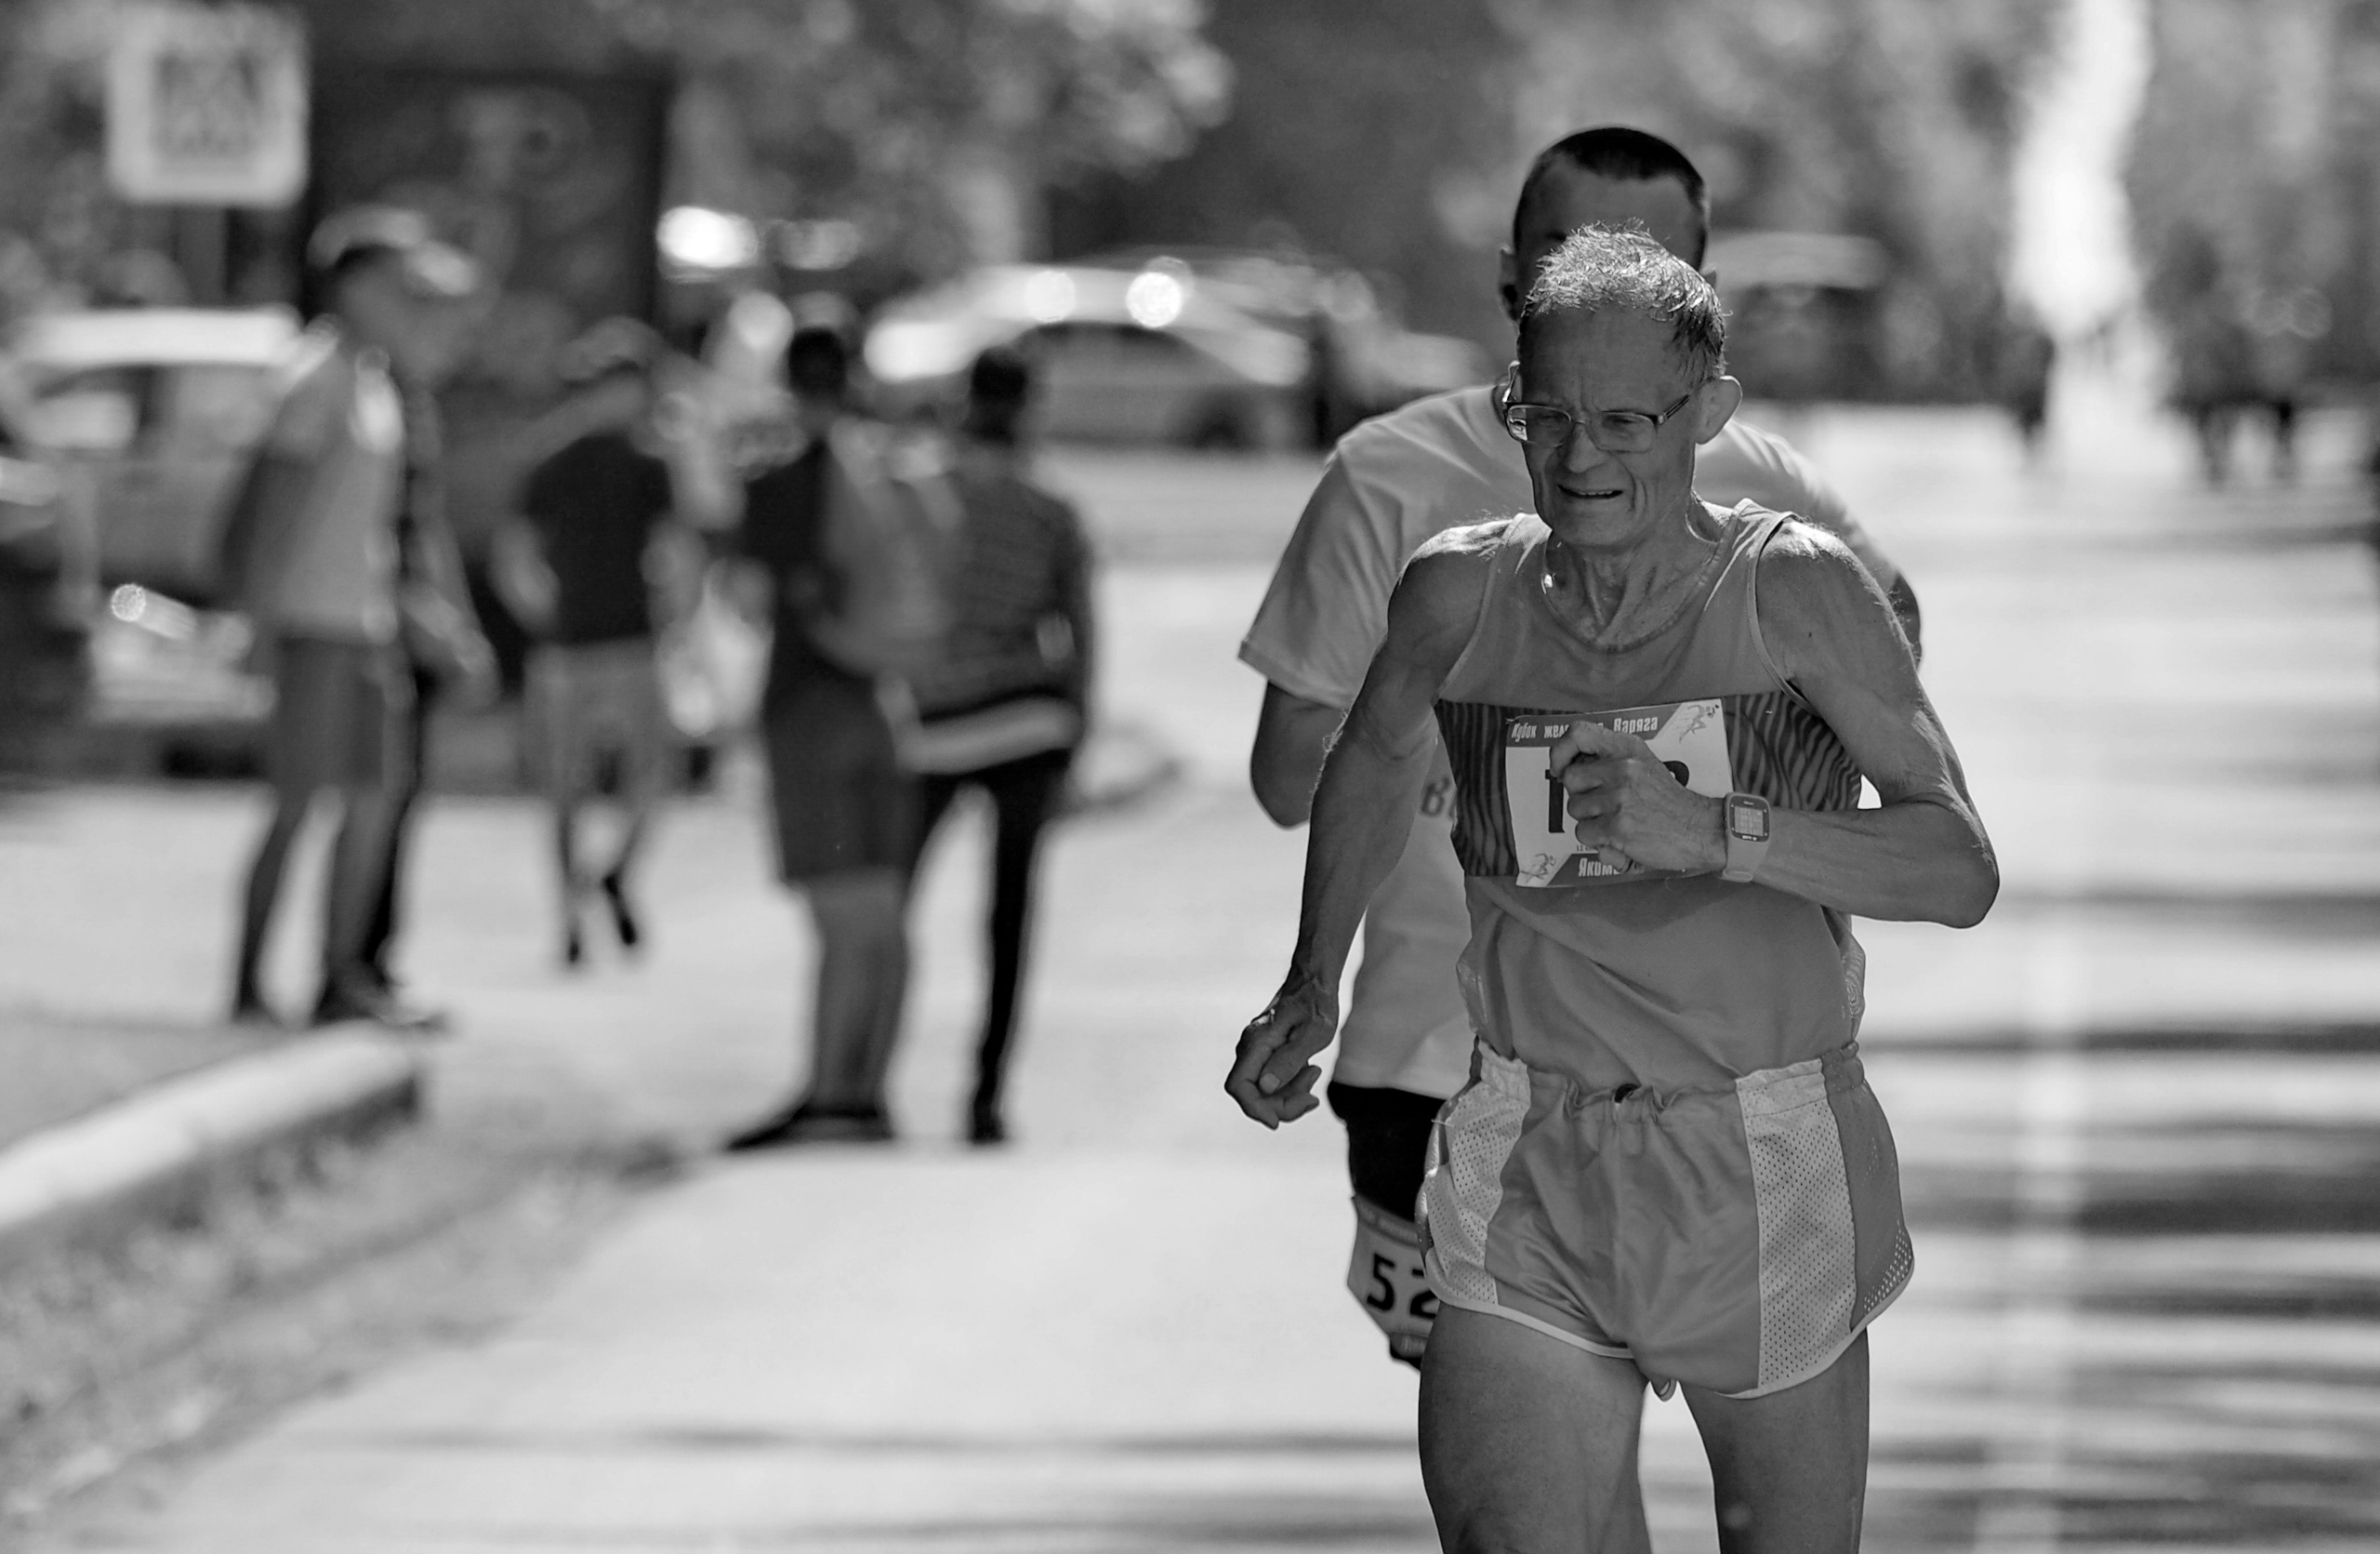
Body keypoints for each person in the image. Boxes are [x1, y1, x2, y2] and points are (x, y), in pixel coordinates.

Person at [1229, 227, 1996, 1552]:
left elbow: (1956, 863)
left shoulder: (1795, 590)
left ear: (1710, 413)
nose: (1581, 458)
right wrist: (1312, 980)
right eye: (1549, 416)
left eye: (1627, 421)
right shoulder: (1460, 590)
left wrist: (1713, 831)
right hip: (1528, 1139)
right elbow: (1371, 759)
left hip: (1758, 1150)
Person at [220, 209, 485, 1029]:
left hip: (367, 624)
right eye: (400, 283)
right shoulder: (318, 376)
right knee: (297, 804)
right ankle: (247, 986)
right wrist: (258, 626)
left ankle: (340, 980)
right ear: (357, 285)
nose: (412, 300)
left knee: (376, 798)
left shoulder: (376, 381)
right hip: (312, 622)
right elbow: (274, 509)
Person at [720, 304, 947, 1149]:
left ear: (788, 381)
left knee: (837, 916)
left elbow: (748, 600)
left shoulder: (784, 480)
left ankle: (827, 1094)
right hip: (887, 705)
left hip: (809, 707)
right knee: (885, 914)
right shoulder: (897, 469)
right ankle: (871, 1089)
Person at [896, 346, 1096, 1146]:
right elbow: (1079, 631)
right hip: (1026, 719)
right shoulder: (1051, 507)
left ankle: (866, 1071)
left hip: (934, 720)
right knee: (1008, 917)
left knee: (892, 899)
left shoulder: (923, 494)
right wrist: (1078, 733)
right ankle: (985, 1095)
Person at [495, 318, 692, 966]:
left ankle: (611, 876)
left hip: (630, 642)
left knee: (650, 779)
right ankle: (569, 915)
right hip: (572, 649)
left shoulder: (650, 463)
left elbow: (674, 550)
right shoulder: (554, 461)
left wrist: (673, 615)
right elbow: (515, 554)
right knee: (566, 789)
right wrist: (546, 612)